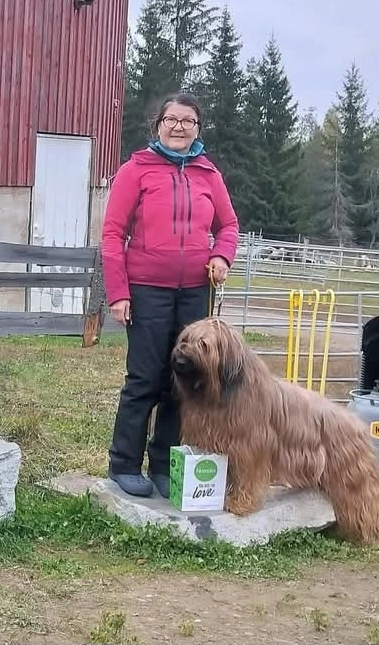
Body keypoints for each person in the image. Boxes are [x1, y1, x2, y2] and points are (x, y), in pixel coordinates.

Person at [99, 92, 240, 498]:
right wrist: (119, 294)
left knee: (184, 381)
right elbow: (112, 234)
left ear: (198, 128)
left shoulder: (208, 174)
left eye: (188, 121)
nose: (179, 127)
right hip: (146, 291)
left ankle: (164, 463)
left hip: (194, 294)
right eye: (171, 120)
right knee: (144, 378)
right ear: (157, 125)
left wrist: (220, 256)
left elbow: (228, 226)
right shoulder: (136, 170)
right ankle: (124, 463)